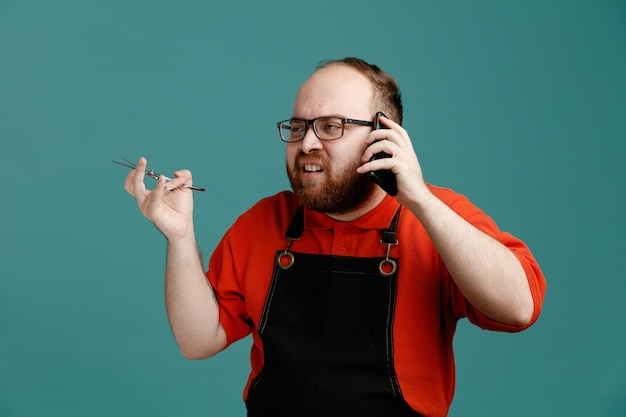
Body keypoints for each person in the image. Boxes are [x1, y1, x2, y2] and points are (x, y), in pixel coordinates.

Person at [123, 57, 546, 417]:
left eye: (331, 126)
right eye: (298, 125)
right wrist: (180, 238)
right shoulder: (264, 221)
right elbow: (198, 340)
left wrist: (420, 200)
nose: (307, 142)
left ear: (384, 138)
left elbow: (519, 308)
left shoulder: (437, 216)